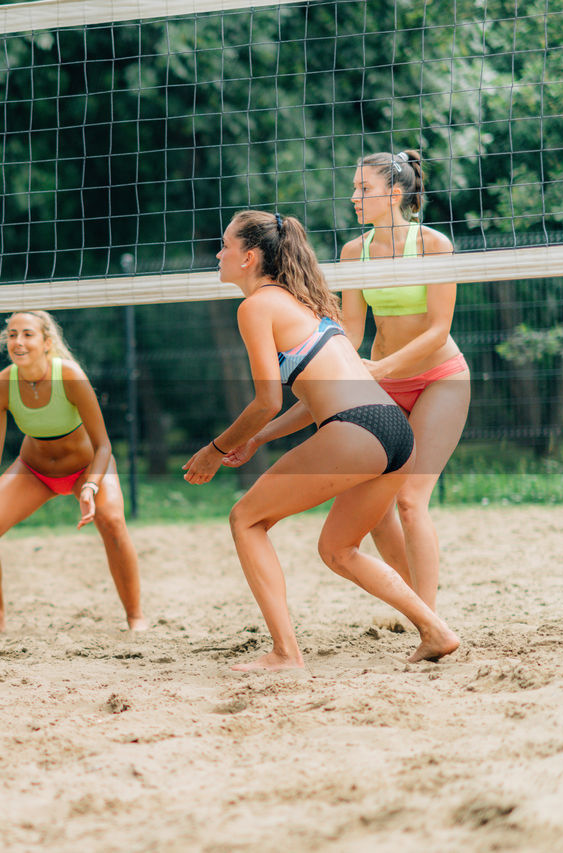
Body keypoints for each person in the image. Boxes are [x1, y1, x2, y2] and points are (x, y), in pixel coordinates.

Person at [182, 210, 458, 671]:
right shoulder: (308, 304)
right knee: (339, 550)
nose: (218, 252)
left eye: (225, 245)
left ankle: (285, 653)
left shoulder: (255, 307)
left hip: (355, 429)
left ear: (249, 258)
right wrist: (256, 442)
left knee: (246, 519)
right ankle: (436, 630)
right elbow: (312, 399)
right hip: (393, 430)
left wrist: (212, 450)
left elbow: (266, 400)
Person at [0, 310, 147, 633]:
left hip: (86, 468)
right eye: (11, 335)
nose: (18, 342)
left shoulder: (70, 376)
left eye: (27, 334)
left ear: (47, 342)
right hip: (34, 470)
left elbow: (103, 446)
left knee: (113, 521)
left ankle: (135, 617)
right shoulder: (1, 385)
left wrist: (91, 487)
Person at [341, 149, 469, 610]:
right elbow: (352, 331)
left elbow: (439, 329)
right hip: (382, 380)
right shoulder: (353, 252)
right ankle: (413, 600)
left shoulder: (435, 245)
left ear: (395, 192)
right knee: (374, 510)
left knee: (411, 501)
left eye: (364, 188)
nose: (354, 196)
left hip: (439, 378)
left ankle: (431, 621)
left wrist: (378, 370)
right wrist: (329, 364)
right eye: (355, 188)